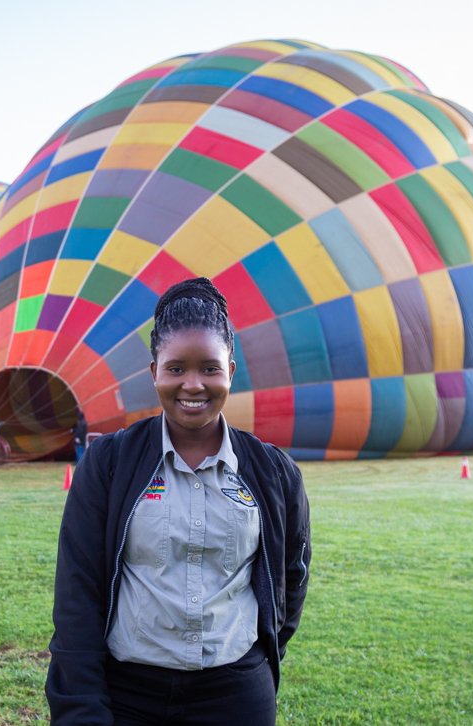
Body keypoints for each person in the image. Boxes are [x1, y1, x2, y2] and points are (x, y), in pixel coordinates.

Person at [46, 278, 311, 726]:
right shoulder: (109, 464)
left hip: (236, 696)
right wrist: (82, 706)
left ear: (231, 369)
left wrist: (259, 657)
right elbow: (78, 592)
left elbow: (290, 578)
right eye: (176, 369)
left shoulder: (273, 472)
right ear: (154, 372)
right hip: (128, 693)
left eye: (210, 368)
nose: (193, 384)